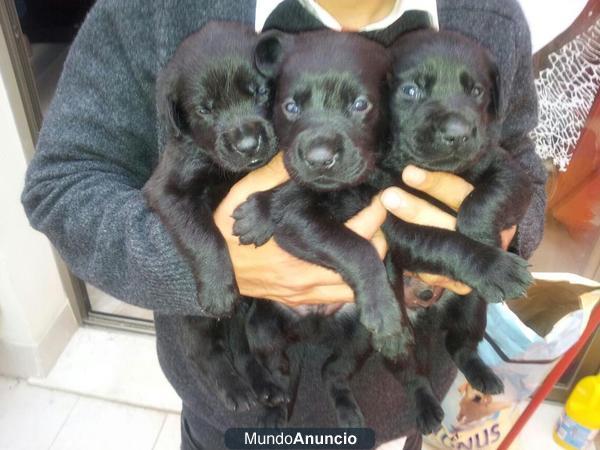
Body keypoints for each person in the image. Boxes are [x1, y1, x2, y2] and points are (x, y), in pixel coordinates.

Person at [21, 0, 546, 448]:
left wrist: (502, 229)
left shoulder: (488, 16)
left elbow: (520, 154)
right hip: (235, 416)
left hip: (398, 413)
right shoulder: (155, 10)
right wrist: (204, 264)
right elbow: (60, 185)